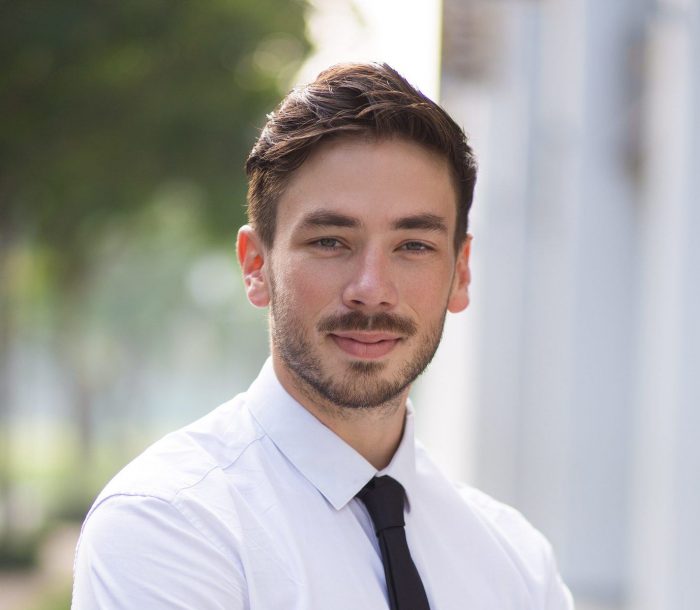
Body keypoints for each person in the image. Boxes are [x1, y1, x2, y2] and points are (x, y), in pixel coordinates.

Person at [72, 62, 574, 609]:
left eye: (413, 246)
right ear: (256, 266)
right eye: (331, 241)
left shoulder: (517, 563)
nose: (372, 290)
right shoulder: (170, 525)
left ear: (461, 272)